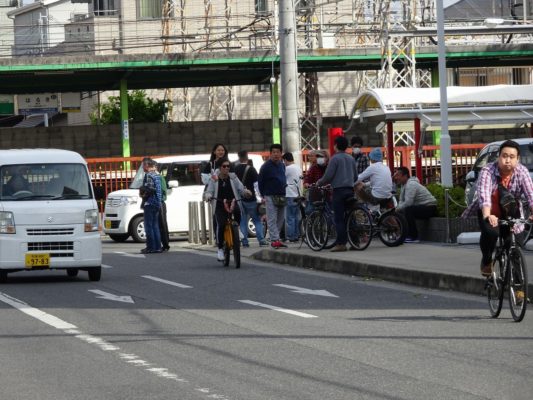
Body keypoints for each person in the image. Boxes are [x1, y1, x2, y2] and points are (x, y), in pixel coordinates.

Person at [463, 140, 533, 283]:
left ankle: (519, 289)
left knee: (514, 247)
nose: (508, 160)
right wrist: (488, 215)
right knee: (491, 233)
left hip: (511, 212)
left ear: (518, 159)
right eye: (504, 156)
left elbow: (531, 195)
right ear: (499, 156)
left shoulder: (522, 172)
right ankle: (487, 260)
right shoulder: (487, 170)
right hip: (489, 211)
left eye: (512, 157)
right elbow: (484, 195)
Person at [317, 136, 358, 252]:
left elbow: (328, 176)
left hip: (339, 191)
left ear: (335, 145)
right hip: (350, 190)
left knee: (339, 218)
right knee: (351, 216)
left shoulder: (335, 159)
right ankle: (355, 242)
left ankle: (341, 243)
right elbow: (355, 176)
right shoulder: (351, 158)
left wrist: (319, 182)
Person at [204, 160, 247, 261]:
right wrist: (208, 196)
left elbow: (241, 188)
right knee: (221, 224)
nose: (227, 168)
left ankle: (238, 228)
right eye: (224, 166)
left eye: (228, 166)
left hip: (232, 202)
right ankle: (220, 249)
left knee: (237, 211)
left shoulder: (233, 177)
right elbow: (209, 191)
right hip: (219, 204)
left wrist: (246, 192)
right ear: (219, 168)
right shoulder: (214, 178)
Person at [393, 167, 437, 243]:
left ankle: (413, 237)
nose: (396, 177)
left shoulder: (411, 184)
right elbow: (401, 201)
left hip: (430, 208)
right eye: (396, 175)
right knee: (401, 211)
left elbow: (408, 203)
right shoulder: (404, 185)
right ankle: (402, 234)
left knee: (408, 210)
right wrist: (397, 209)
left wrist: (397, 209)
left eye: (398, 175)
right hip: (422, 207)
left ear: (405, 176)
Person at [234, 150, 268, 247]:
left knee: (243, 220)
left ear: (239, 157)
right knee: (256, 219)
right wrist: (261, 196)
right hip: (251, 198)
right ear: (247, 157)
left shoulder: (235, 169)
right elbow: (256, 185)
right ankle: (261, 240)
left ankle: (244, 241)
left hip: (239, 199)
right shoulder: (251, 169)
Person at [258, 144, 287, 249]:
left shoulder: (282, 165)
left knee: (281, 218)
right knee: (271, 218)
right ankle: (275, 240)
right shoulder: (265, 166)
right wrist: (262, 195)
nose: (276, 154)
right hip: (270, 195)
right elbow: (260, 181)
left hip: (282, 194)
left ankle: (276, 238)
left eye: (278, 152)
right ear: (270, 154)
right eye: (273, 152)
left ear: (281, 153)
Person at [140, 158, 162, 254]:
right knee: (155, 226)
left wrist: (143, 193)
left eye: (143, 165)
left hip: (150, 202)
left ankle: (150, 247)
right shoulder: (157, 175)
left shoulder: (149, 175)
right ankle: (158, 247)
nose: (142, 167)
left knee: (148, 226)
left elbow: (151, 189)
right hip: (157, 202)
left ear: (147, 165)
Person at [283, 152, 303, 242]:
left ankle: (291, 236)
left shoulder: (287, 168)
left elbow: (283, 179)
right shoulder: (298, 167)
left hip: (289, 194)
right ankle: (297, 235)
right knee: (296, 216)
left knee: (290, 217)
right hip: (298, 194)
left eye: (284, 161)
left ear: (286, 160)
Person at [304, 149, 329, 215]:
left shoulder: (330, 167)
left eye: (321, 157)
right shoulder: (314, 167)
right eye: (318, 157)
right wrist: (307, 184)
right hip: (315, 195)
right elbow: (307, 179)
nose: (319, 159)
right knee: (310, 212)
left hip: (328, 195)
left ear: (326, 158)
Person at [157, 165, 170, 252]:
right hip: (158, 202)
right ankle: (163, 244)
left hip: (160, 202)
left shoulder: (159, 177)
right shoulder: (156, 177)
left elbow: (163, 190)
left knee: (162, 224)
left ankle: (165, 244)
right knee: (159, 224)